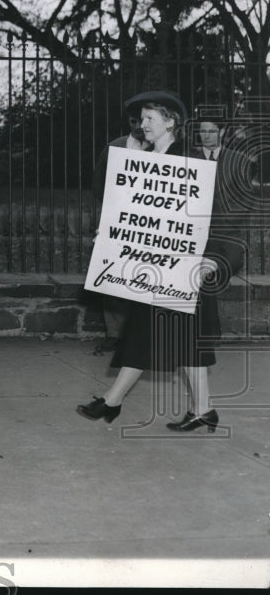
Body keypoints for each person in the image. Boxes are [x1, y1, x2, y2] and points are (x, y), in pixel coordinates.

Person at [76, 90, 246, 431]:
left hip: (187, 266)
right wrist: (111, 234)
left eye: (150, 119)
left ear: (171, 122)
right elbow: (129, 210)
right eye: (142, 119)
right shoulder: (142, 160)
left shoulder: (194, 162)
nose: (143, 125)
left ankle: (116, 402)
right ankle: (192, 408)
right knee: (154, 332)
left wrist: (215, 259)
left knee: (172, 334)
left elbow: (224, 217)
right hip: (155, 265)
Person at [90, 100, 150, 352]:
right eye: (135, 121)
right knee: (115, 275)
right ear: (130, 122)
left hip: (151, 222)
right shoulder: (114, 147)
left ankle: (143, 334)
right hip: (118, 219)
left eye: (145, 121)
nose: (140, 126)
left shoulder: (162, 149)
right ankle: (115, 333)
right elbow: (100, 185)